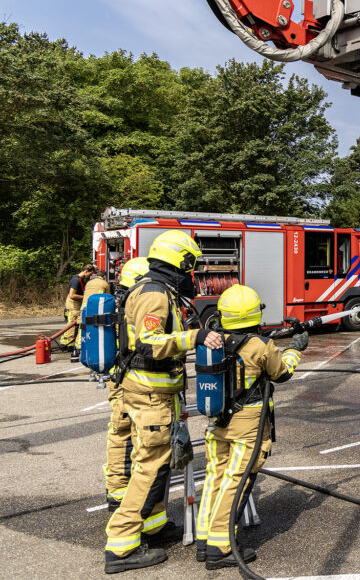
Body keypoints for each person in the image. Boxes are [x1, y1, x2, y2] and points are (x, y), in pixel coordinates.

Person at [104, 231, 223, 574]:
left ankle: (152, 525)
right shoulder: (155, 294)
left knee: (157, 465)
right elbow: (148, 343)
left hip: (152, 392)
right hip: (150, 394)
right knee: (147, 467)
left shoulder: (153, 288)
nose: (191, 273)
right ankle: (121, 544)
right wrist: (195, 336)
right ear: (179, 262)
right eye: (190, 265)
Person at [194, 284, 305, 570]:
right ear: (255, 313)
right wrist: (295, 349)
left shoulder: (216, 339)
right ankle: (221, 546)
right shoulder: (259, 345)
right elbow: (281, 373)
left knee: (216, 476)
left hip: (218, 419)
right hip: (247, 424)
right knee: (238, 480)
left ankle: (205, 538)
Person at [103, 257, 150, 513]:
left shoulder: (116, 305)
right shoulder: (130, 308)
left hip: (116, 377)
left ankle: (117, 488)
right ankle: (121, 492)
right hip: (127, 381)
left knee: (119, 433)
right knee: (127, 435)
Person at [73, 273, 112, 363]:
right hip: (95, 308)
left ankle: (76, 350)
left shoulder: (88, 283)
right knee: (95, 329)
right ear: (103, 277)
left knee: (82, 328)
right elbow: (108, 298)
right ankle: (94, 348)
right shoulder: (104, 283)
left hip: (84, 309)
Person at [60, 264, 96, 350]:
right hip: (73, 306)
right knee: (72, 327)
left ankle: (68, 344)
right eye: (90, 274)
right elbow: (72, 295)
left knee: (72, 326)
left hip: (76, 306)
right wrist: (85, 297)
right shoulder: (76, 280)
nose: (90, 276)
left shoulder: (80, 279)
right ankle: (68, 345)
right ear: (86, 271)